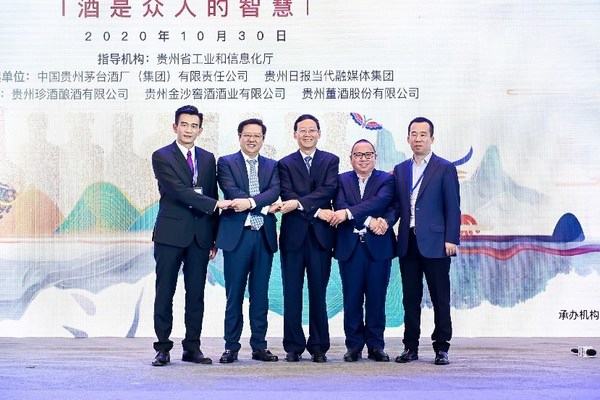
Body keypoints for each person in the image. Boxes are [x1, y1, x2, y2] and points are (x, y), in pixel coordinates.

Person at [151, 105, 231, 367]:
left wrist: (214, 237)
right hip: (170, 234)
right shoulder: (161, 156)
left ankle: (192, 347)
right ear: (175, 127)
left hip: (200, 236)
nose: (188, 130)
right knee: (165, 291)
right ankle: (163, 348)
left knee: (196, 294)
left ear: (200, 130)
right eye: (184, 125)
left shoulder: (207, 158)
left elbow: (212, 192)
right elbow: (177, 190)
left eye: (193, 126)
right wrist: (214, 205)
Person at [392, 116, 461, 365]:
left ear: (432, 139)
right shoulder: (400, 169)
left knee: (440, 297)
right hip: (407, 241)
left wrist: (451, 238)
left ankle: (441, 347)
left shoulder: (445, 168)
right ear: (408, 138)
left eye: (423, 135)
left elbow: (453, 206)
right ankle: (410, 347)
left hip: (437, 243)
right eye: (414, 134)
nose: (418, 139)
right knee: (410, 299)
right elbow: (396, 205)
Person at [216, 118, 281, 363]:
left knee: (260, 294)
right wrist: (262, 207)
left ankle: (259, 346)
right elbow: (231, 191)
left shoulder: (272, 165)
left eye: (257, 136)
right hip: (237, 237)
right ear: (240, 136)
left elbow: (274, 191)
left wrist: (252, 203)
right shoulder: (226, 163)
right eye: (247, 135)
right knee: (234, 295)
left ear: (263, 139)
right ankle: (231, 347)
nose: (252, 139)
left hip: (263, 236)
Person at [276, 114, 339, 363]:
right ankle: (293, 346)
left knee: (318, 293)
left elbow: (328, 190)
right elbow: (286, 194)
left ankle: (319, 346)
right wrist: (316, 210)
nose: (307, 134)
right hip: (293, 237)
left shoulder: (330, 160)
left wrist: (301, 205)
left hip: (321, 237)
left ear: (319, 134)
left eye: (312, 130)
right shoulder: (284, 164)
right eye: (302, 130)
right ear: (295, 134)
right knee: (291, 293)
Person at [329, 139, 396, 362]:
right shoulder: (341, 180)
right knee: (352, 298)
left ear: (375, 157)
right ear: (351, 158)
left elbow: (382, 202)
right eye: (358, 155)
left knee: (377, 298)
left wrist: (379, 220)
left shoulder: (387, 179)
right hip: (350, 248)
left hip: (379, 248)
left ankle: (376, 345)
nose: (363, 159)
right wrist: (369, 220)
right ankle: (354, 345)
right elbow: (340, 207)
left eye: (368, 154)